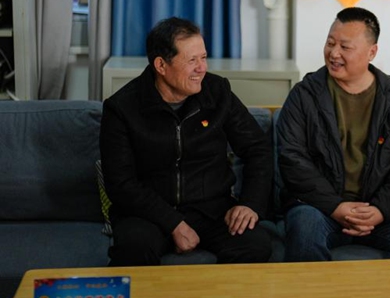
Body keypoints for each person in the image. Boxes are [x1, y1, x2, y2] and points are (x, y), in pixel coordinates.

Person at [100, 17, 272, 266]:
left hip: (213, 210)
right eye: (192, 60)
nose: (202, 68)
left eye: (203, 58)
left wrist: (250, 204)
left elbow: (258, 148)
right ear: (161, 65)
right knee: (134, 248)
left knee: (255, 246)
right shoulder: (122, 108)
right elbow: (120, 183)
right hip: (148, 214)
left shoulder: (217, 92)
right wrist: (173, 223)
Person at [277, 6, 390, 261]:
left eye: (345, 47)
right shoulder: (304, 95)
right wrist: (336, 206)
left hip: (384, 213)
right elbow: (292, 159)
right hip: (320, 208)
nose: (334, 53)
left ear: (372, 52)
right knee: (304, 230)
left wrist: (381, 210)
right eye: (330, 43)